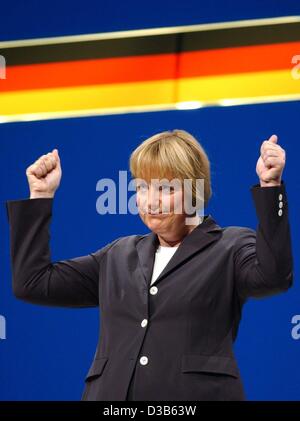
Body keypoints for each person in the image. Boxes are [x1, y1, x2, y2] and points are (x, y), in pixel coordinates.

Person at [6, 129, 293, 401]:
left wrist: (270, 189)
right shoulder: (117, 255)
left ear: (195, 191)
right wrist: (41, 196)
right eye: (142, 187)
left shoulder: (229, 246)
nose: (151, 201)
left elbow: (274, 277)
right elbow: (32, 283)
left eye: (166, 188)